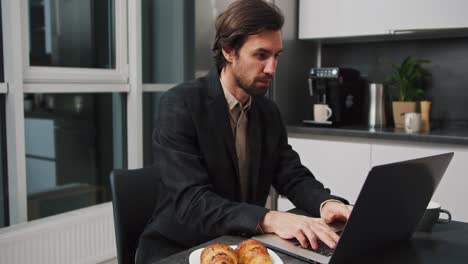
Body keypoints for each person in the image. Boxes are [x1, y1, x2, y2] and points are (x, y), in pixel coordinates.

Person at [136, 0, 352, 263]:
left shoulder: (267, 112)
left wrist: (327, 204)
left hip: (239, 244)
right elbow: (192, 202)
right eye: (261, 55)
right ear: (229, 51)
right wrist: (269, 218)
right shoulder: (180, 105)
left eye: (276, 56)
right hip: (179, 249)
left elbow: (292, 176)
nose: (272, 68)